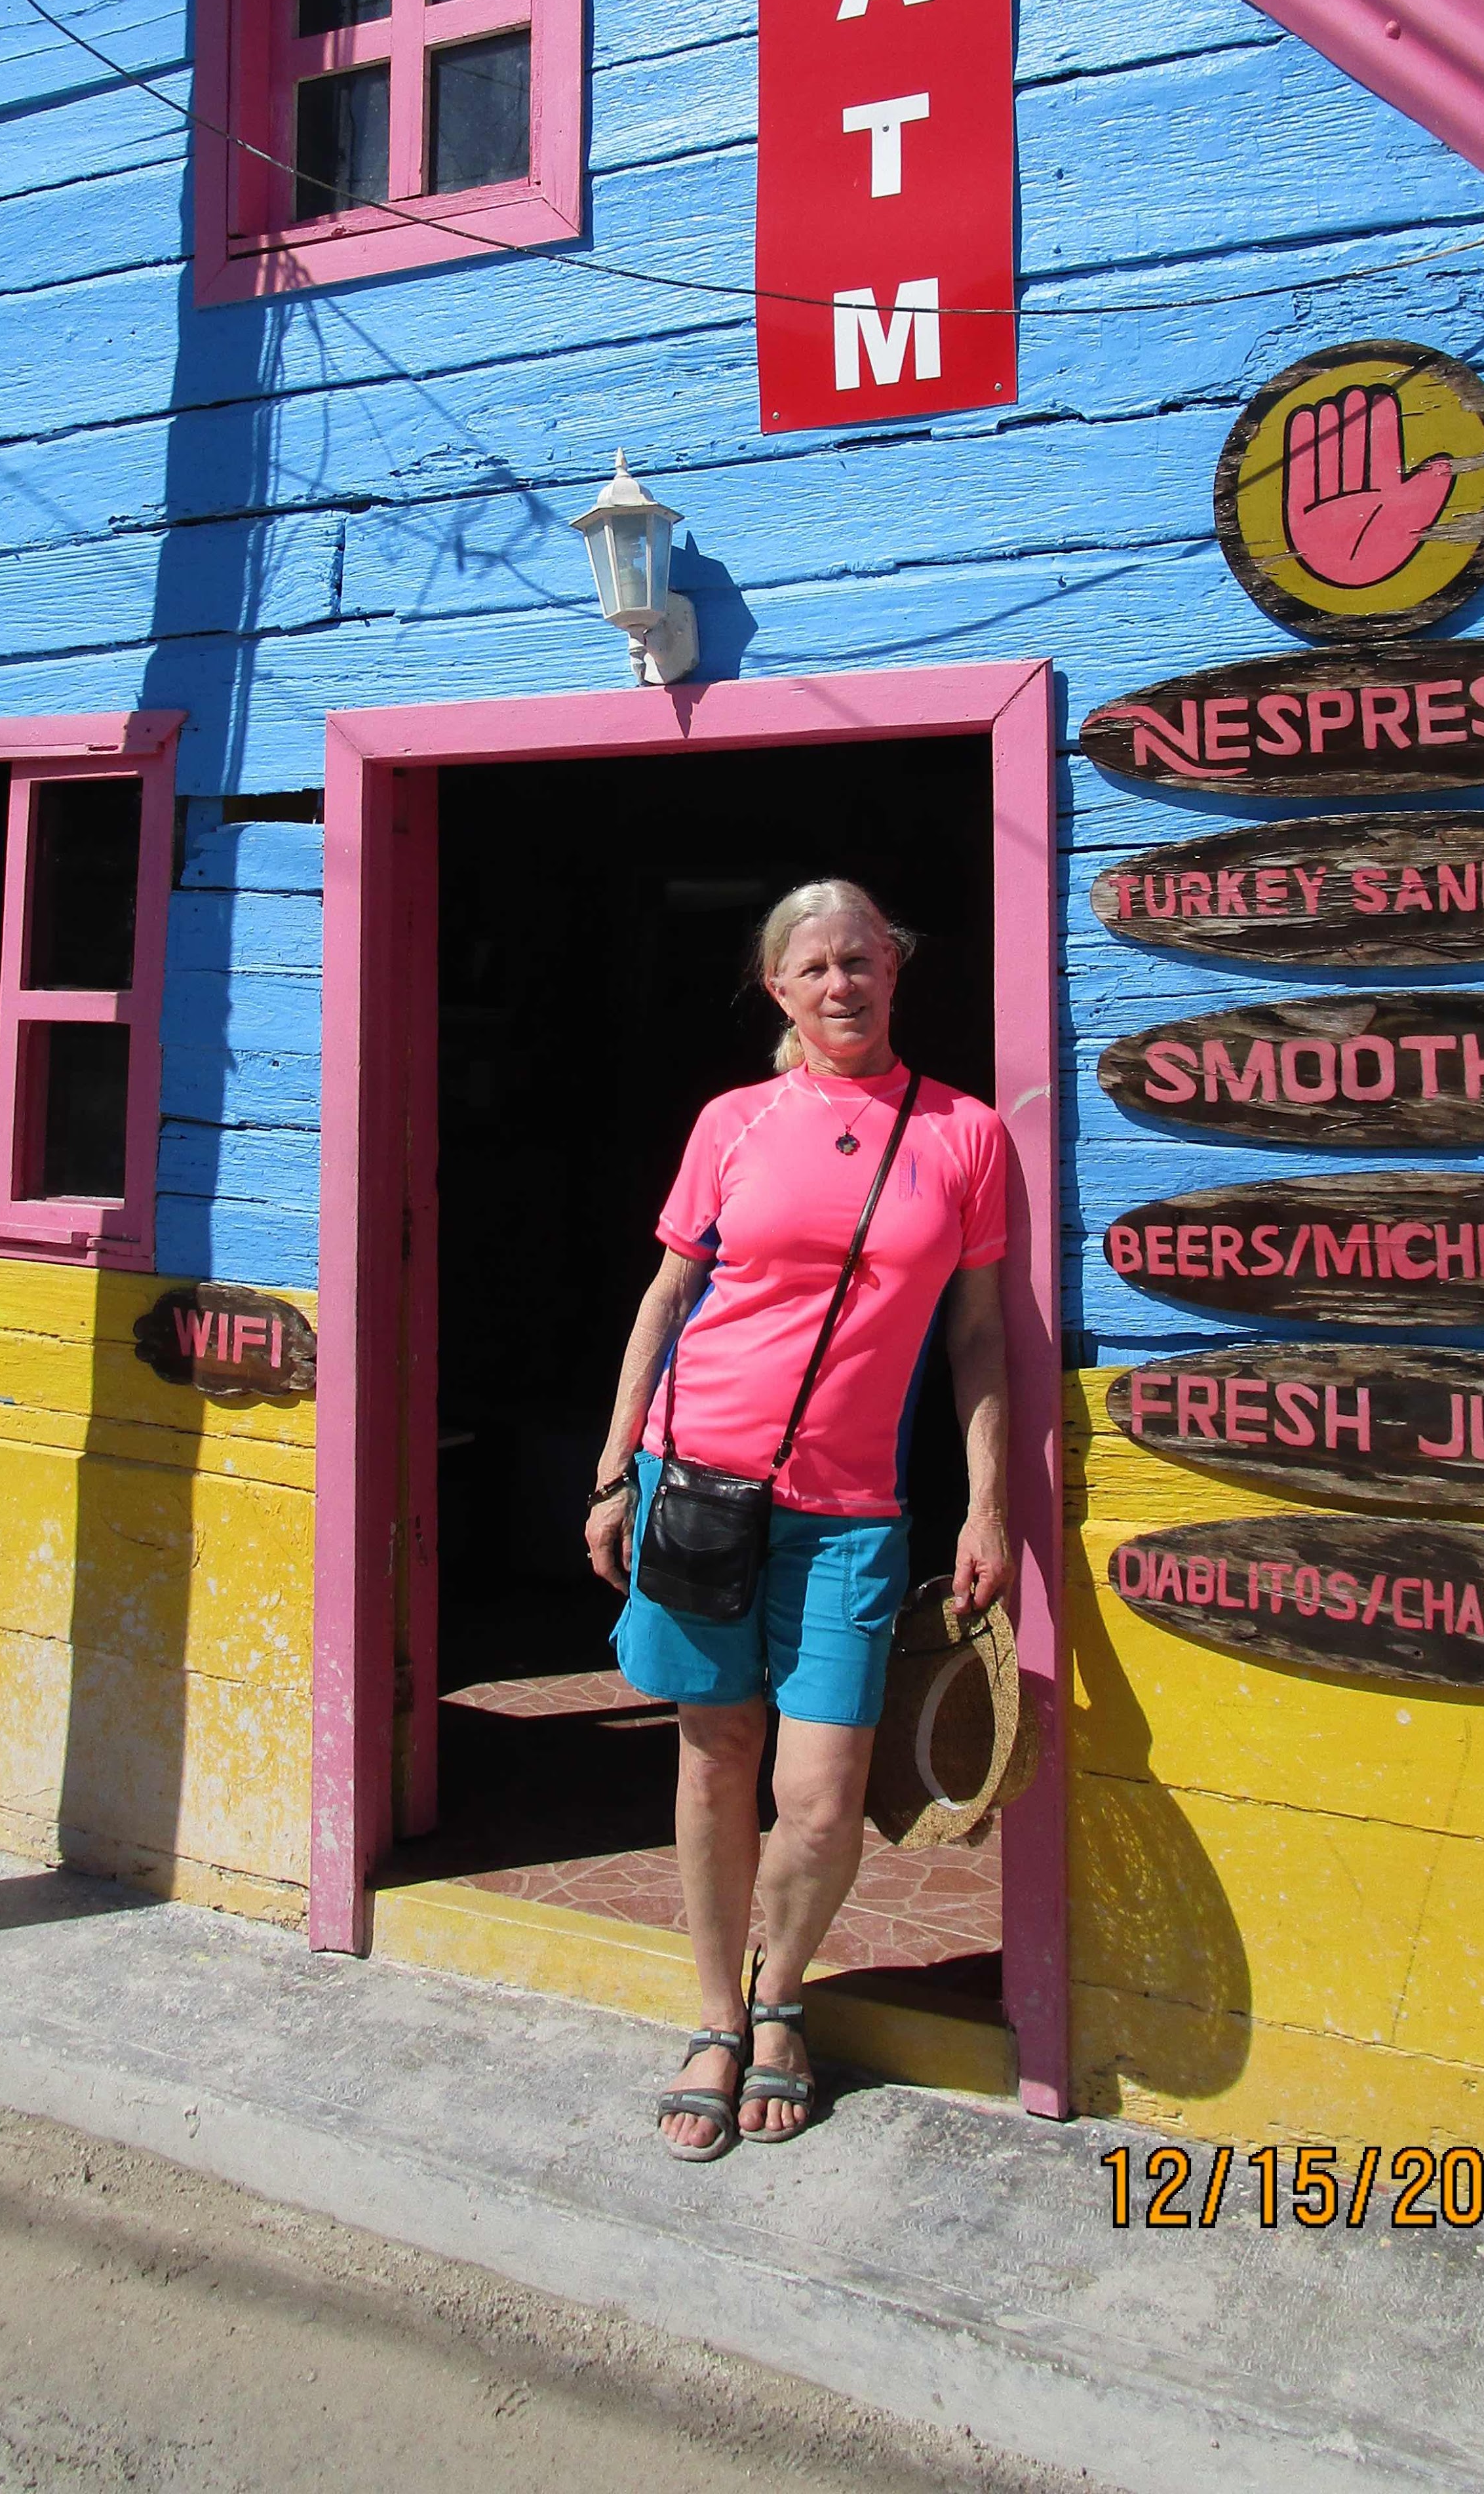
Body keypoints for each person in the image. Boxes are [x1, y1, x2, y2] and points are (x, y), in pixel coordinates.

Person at [585, 878, 1011, 2158]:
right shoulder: (734, 1122)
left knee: (821, 1797)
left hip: (852, 1512)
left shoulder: (965, 1134)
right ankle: (724, 2017)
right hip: (698, 1481)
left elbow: (978, 1338)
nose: (842, 985)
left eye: (861, 960)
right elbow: (668, 1298)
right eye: (815, 967)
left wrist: (988, 1504)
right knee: (715, 1756)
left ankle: (783, 1991)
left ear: (896, 968)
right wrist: (613, 1469)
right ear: (779, 988)